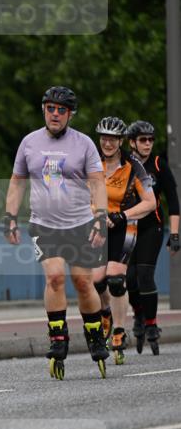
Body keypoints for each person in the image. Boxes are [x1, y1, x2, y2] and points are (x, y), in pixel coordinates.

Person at [2, 85, 110, 380]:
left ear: (70, 114)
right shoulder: (29, 143)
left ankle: (94, 335)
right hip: (43, 224)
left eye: (62, 110)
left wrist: (100, 217)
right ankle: (58, 337)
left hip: (79, 224)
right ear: (43, 110)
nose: (55, 114)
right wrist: (9, 217)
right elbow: (16, 182)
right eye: (51, 108)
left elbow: (98, 183)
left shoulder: (84, 144)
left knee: (84, 283)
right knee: (55, 277)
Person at [90, 117, 155, 364]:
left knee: (116, 280)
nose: (107, 143)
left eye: (113, 139)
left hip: (124, 225)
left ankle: (118, 331)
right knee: (96, 281)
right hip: (97, 226)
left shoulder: (133, 166)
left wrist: (121, 215)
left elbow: (150, 203)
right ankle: (105, 311)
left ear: (120, 141)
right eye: (104, 137)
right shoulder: (90, 162)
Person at [125, 119, 180, 354]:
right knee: (129, 278)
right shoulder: (124, 164)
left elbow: (173, 202)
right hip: (127, 228)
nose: (147, 144)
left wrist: (175, 234)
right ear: (132, 143)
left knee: (145, 275)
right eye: (142, 140)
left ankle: (151, 323)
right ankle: (138, 314)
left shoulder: (159, 164)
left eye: (150, 140)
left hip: (152, 228)